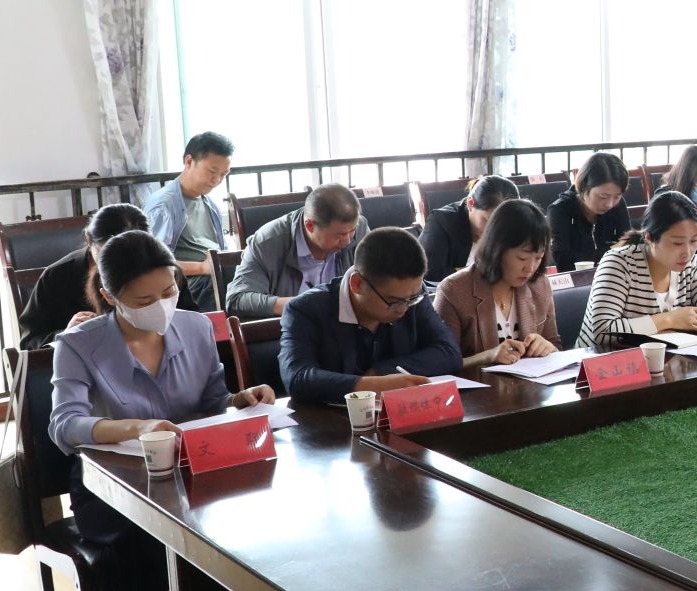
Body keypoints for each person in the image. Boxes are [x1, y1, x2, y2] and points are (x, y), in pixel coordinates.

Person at [51, 231, 275, 591]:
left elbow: (212, 403)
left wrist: (239, 399)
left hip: (191, 469)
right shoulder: (78, 344)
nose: (161, 306)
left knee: (252, 522)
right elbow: (64, 425)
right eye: (144, 301)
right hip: (118, 482)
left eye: (169, 291)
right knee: (172, 543)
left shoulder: (196, 327)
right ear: (109, 296)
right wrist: (137, 428)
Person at [279, 228, 463, 404]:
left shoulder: (410, 295)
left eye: (412, 298)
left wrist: (381, 371)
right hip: (333, 420)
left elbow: (449, 352)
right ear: (357, 284)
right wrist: (369, 386)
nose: (404, 308)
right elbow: (297, 378)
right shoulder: (306, 309)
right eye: (394, 301)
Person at [578, 190, 697, 347]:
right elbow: (602, 332)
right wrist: (670, 319)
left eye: (694, 241)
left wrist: (689, 318)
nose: (687, 252)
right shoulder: (619, 263)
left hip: (665, 358)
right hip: (604, 360)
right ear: (649, 237)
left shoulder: (690, 264)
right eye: (677, 243)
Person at [434, 199, 561, 367]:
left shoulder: (539, 285)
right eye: (522, 258)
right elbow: (441, 364)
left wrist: (548, 348)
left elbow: (556, 345)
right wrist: (488, 357)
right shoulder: (454, 291)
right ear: (497, 249)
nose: (530, 268)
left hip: (532, 383)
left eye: (538, 258)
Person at [19, 202, 154, 349]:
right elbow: (29, 344)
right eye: (109, 254)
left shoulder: (155, 270)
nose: (121, 264)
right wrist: (66, 334)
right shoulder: (56, 277)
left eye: (132, 256)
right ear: (89, 239)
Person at [226, 184, 369, 319]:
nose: (348, 241)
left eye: (352, 230)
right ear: (310, 226)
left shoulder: (360, 229)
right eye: (339, 235)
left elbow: (377, 279)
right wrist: (303, 305)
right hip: (288, 328)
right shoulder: (267, 243)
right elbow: (237, 300)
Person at [144, 131, 233, 307]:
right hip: (187, 285)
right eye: (212, 171)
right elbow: (154, 264)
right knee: (229, 284)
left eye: (224, 174)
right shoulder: (163, 206)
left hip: (213, 276)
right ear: (189, 161)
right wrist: (203, 268)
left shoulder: (209, 203)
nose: (217, 180)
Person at [419, 175, 518, 283]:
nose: (496, 230)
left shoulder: (514, 224)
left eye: (503, 223)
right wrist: (477, 273)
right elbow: (429, 272)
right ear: (470, 204)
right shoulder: (442, 222)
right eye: (488, 221)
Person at [547, 153, 632, 273]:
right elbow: (564, 263)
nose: (610, 204)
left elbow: (628, 247)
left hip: (613, 275)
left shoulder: (618, 204)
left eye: (617, 196)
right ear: (583, 187)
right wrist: (612, 248)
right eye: (603, 197)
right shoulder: (559, 210)